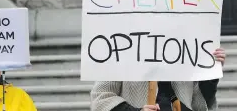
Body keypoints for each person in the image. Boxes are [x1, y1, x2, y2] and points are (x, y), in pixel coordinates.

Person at [90, 48, 226, 111]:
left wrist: (211, 72)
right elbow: (101, 98)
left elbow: (200, 103)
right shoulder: (122, 51)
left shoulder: (185, 51)